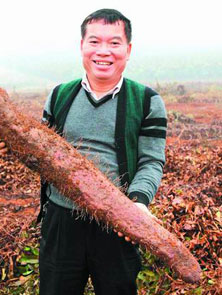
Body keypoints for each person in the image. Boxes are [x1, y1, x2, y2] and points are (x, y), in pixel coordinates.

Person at [39, 9, 167, 295]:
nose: (103, 52)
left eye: (114, 43)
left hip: (118, 223)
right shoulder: (60, 95)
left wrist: (137, 204)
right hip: (62, 222)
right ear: (82, 46)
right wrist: (8, 145)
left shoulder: (146, 101)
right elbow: (41, 154)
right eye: (94, 42)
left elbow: (151, 161)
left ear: (128, 49)